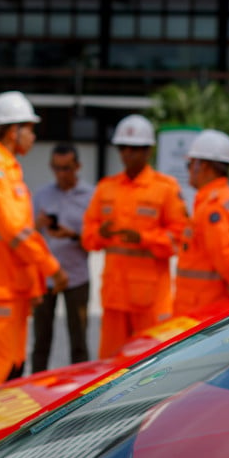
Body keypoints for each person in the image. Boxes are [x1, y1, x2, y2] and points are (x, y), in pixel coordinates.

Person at [0, 90, 68, 393]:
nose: (34, 136)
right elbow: (17, 232)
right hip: (1, 288)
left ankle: (3, 438)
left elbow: (19, 233)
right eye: (30, 128)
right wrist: (52, 269)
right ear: (14, 130)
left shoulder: (8, 168)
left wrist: (35, 284)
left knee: (13, 369)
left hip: (12, 287)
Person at [82, 114, 188, 359]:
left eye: (135, 149)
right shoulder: (106, 188)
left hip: (150, 302)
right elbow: (87, 236)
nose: (127, 153)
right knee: (109, 366)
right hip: (115, 298)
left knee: (150, 367)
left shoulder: (165, 189)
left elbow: (180, 239)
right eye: (123, 148)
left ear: (148, 151)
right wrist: (100, 234)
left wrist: (143, 238)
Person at [173, 129, 229, 316]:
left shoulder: (213, 207)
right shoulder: (219, 200)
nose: (188, 170)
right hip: (203, 304)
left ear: (202, 165)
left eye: (190, 164)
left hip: (203, 308)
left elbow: (226, 255)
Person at [31, 143, 94, 373]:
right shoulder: (42, 195)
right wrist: (37, 226)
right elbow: (26, 236)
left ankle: (81, 392)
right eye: (56, 168)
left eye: (66, 168)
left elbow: (95, 240)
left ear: (78, 166)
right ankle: (36, 389)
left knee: (79, 340)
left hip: (76, 276)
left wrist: (73, 235)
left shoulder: (90, 196)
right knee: (41, 341)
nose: (61, 174)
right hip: (46, 278)